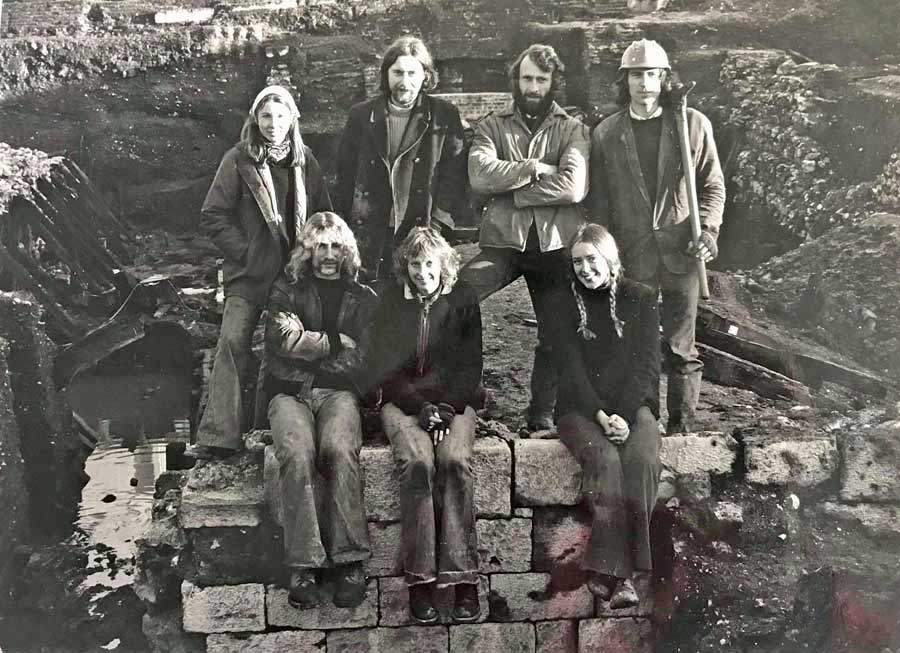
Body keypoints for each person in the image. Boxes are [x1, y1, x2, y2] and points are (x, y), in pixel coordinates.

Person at [587, 39, 725, 434]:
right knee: (638, 345)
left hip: (682, 251)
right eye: (636, 75)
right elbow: (599, 204)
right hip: (632, 255)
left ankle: (682, 430)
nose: (644, 83)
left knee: (682, 347)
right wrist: (605, 253)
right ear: (624, 81)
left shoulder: (692, 124)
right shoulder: (607, 134)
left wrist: (709, 231)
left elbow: (712, 185)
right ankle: (643, 423)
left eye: (652, 74)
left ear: (664, 78)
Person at [191, 85, 332, 458]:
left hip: (293, 276)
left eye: (281, 116)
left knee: (283, 349)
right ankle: (219, 437)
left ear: (292, 120)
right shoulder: (238, 160)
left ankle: (264, 431)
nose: (274, 125)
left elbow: (324, 217)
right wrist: (247, 251)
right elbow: (213, 214)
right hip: (250, 275)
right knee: (233, 342)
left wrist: (314, 259)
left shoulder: (306, 161)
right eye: (266, 117)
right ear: (255, 119)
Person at [462, 43, 589, 432]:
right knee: (457, 297)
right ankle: (467, 395)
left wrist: (513, 192)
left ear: (553, 82)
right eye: (527, 78)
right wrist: (534, 166)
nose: (533, 86)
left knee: (559, 326)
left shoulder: (572, 128)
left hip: (552, 245)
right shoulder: (492, 125)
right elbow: (480, 175)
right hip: (503, 243)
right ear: (515, 80)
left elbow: (573, 186)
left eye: (541, 79)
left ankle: (541, 414)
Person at [369, 227, 483, 624]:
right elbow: (384, 368)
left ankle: (463, 577)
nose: (422, 272)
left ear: (444, 265)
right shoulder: (390, 301)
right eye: (415, 264)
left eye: (429, 263)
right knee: (418, 462)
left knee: (453, 460)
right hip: (404, 402)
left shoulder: (463, 299)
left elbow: (471, 366)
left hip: (454, 402)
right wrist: (422, 408)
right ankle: (420, 580)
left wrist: (447, 408)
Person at [263, 211, 376, 609]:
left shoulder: (364, 297)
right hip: (288, 394)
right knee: (296, 454)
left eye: (335, 247)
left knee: (340, 450)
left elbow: (364, 359)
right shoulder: (286, 289)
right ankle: (304, 565)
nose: (328, 255)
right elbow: (281, 341)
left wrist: (309, 351)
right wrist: (333, 341)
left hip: (337, 395)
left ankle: (349, 562)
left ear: (346, 252)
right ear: (308, 251)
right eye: (320, 247)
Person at [550, 223, 661, 609]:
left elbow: (647, 365)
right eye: (577, 261)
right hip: (581, 409)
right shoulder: (563, 302)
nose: (584, 268)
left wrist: (626, 416)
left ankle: (610, 570)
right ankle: (626, 574)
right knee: (606, 460)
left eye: (591, 259)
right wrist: (600, 415)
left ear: (609, 258)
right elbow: (570, 370)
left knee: (642, 460)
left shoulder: (642, 298)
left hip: (633, 408)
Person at [335, 36, 467, 283]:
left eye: (412, 73)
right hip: (371, 227)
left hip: (420, 227)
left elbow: (455, 177)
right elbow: (345, 173)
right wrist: (350, 223)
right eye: (397, 73)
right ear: (386, 75)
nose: (404, 82)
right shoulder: (361, 115)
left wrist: (436, 226)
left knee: (412, 301)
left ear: (425, 76)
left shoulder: (444, 115)